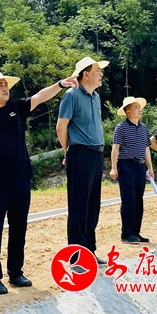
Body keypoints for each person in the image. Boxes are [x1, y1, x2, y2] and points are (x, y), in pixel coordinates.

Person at [0, 67, 78, 295]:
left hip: (21, 178)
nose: (5, 88)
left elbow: (40, 96)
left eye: (5, 84)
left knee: (19, 227)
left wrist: (60, 84)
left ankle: (15, 271)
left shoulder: (16, 108)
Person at [56, 56, 109, 265]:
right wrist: (67, 151)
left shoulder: (96, 97)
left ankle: (89, 251)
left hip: (96, 154)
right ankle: (76, 257)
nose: (101, 74)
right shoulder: (72, 95)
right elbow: (61, 127)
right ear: (85, 74)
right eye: (97, 71)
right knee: (79, 207)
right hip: (80, 153)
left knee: (92, 206)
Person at [109, 97, 154, 244]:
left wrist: (150, 167)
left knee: (138, 199)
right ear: (128, 111)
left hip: (140, 166)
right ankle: (127, 234)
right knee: (128, 199)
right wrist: (114, 167)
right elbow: (115, 148)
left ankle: (136, 232)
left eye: (139, 107)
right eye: (136, 107)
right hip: (126, 165)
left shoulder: (143, 128)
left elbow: (146, 148)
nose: (139, 109)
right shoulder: (121, 128)